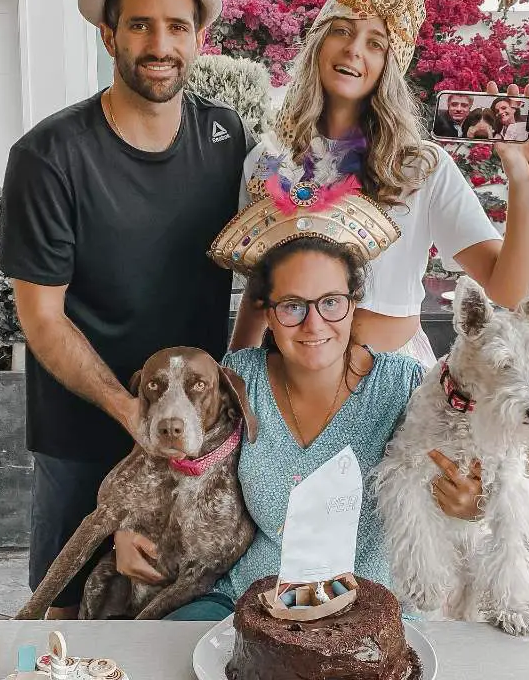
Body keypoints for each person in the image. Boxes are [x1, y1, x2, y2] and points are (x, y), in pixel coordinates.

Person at [0, 0, 253, 619]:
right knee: (66, 618)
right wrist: (131, 412)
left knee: (167, 618)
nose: (160, 44)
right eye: (139, 24)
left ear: (199, 38)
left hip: (195, 433)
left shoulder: (226, 137)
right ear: (109, 37)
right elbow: (42, 318)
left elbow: (263, 267)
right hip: (83, 430)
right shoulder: (49, 157)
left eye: (177, 26)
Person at [114, 235, 484, 621]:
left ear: (353, 304)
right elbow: (165, 454)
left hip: (375, 610)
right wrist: (127, 525)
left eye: (330, 303)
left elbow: (490, 473)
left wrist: (472, 505)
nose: (314, 323)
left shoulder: (408, 386)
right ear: (267, 313)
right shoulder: (241, 380)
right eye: (292, 306)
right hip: (250, 600)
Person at [229, 0, 529, 365]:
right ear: (319, 43)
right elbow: (259, 293)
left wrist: (525, 185)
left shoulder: (420, 166)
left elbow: (506, 289)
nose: (354, 49)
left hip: (396, 384)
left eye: (375, 42)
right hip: (291, 383)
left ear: (389, 66)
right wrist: (237, 377)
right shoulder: (266, 161)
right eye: (341, 30)